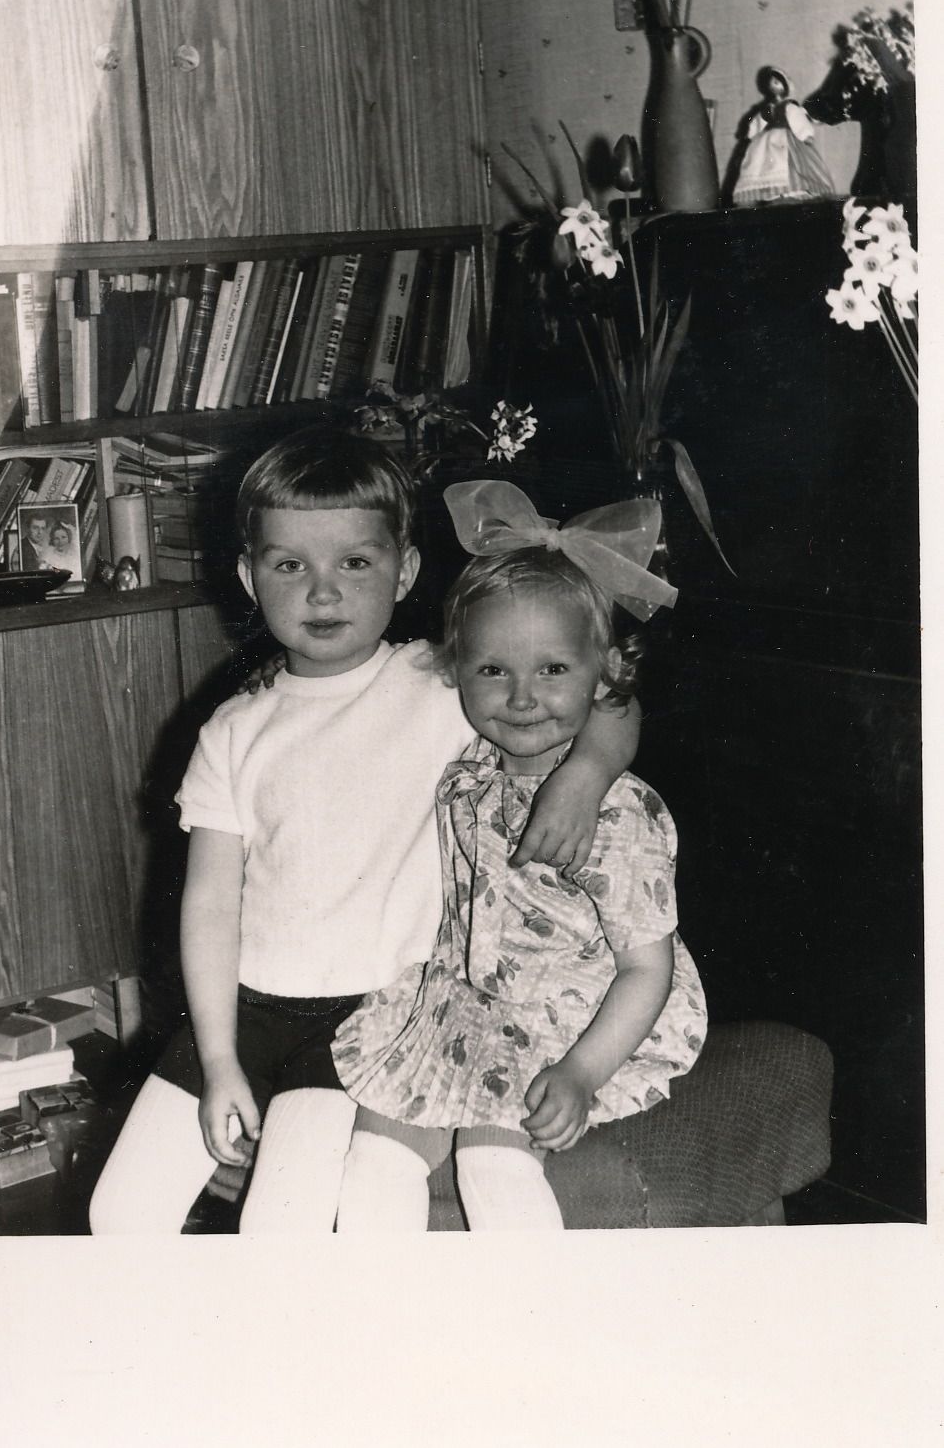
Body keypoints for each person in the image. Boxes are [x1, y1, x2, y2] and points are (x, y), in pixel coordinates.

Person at [89, 431, 641, 1233]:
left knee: (283, 1222)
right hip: (247, 1010)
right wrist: (217, 1059)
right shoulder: (233, 731)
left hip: (370, 1021)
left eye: (354, 562)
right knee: (118, 1213)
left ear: (404, 571)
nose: (323, 592)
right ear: (248, 578)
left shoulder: (440, 683)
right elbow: (209, 906)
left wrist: (584, 776)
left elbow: (610, 700)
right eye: (290, 566)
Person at [332, 480, 706, 1231]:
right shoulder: (469, 767)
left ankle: (534, 1306)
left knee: (492, 1166)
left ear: (605, 673)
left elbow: (647, 968)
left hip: (568, 1022)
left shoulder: (617, 812)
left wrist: (581, 1073)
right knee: (369, 1167)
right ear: (455, 670)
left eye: (553, 670)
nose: (523, 697)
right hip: (454, 1007)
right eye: (493, 670)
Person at [732, 65, 836, 206]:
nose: (774, 86)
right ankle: (773, 192)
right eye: (771, 83)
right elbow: (759, 121)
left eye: (777, 82)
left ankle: (790, 191)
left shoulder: (789, 106)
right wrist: (751, 133)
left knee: (789, 164)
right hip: (765, 144)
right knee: (762, 166)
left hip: (786, 141)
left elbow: (797, 119)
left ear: (785, 86)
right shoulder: (767, 108)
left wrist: (805, 134)